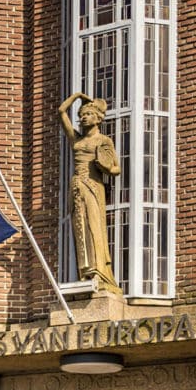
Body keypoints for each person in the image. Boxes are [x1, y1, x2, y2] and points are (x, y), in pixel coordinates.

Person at [60, 92, 122, 295]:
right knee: (80, 227)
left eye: (87, 114)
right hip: (77, 185)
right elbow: (61, 111)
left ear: (98, 118)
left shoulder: (103, 140)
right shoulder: (76, 140)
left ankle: (100, 272)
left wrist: (104, 166)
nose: (83, 118)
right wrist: (77, 96)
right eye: (81, 115)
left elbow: (116, 169)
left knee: (94, 227)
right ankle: (85, 271)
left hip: (93, 186)